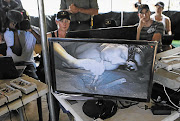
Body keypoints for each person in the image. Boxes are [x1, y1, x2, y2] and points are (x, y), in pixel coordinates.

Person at [4, 10, 41, 79]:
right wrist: (15, 32)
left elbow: (44, 43)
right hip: (12, 63)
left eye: (25, 20)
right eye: (21, 22)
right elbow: (18, 52)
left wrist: (31, 31)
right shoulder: (9, 32)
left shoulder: (35, 30)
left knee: (34, 80)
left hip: (28, 63)